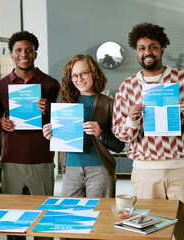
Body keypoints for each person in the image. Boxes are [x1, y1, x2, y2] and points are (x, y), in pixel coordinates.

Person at [112, 22, 184, 240]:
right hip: (145, 172)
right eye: (142, 48)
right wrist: (132, 119)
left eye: (153, 47)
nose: (148, 52)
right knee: (150, 234)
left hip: (182, 168)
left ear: (162, 48)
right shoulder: (127, 87)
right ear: (136, 51)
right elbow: (120, 133)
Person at [0, 31, 60, 200]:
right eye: (18, 50)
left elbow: (64, 122)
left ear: (35, 53)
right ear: (12, 54)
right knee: (11, 209)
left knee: (43, 209)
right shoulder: (0, 86)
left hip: (42, 158)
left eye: (29, 50)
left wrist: (50, 109)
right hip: (11, 158)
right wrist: (1, 123)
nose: (24, 54)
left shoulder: (51, 84)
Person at [42, 54, 124, 199]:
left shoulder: (108, 104)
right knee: (70, 215)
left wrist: (100, 133)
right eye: (74, 76)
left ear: (94, 73)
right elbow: (59, 137)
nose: (79, 79)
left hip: (100, 170)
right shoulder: (63, 101)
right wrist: (50, 133)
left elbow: (119, 146)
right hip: (70, 169)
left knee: (99, 215)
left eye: (84, 73)